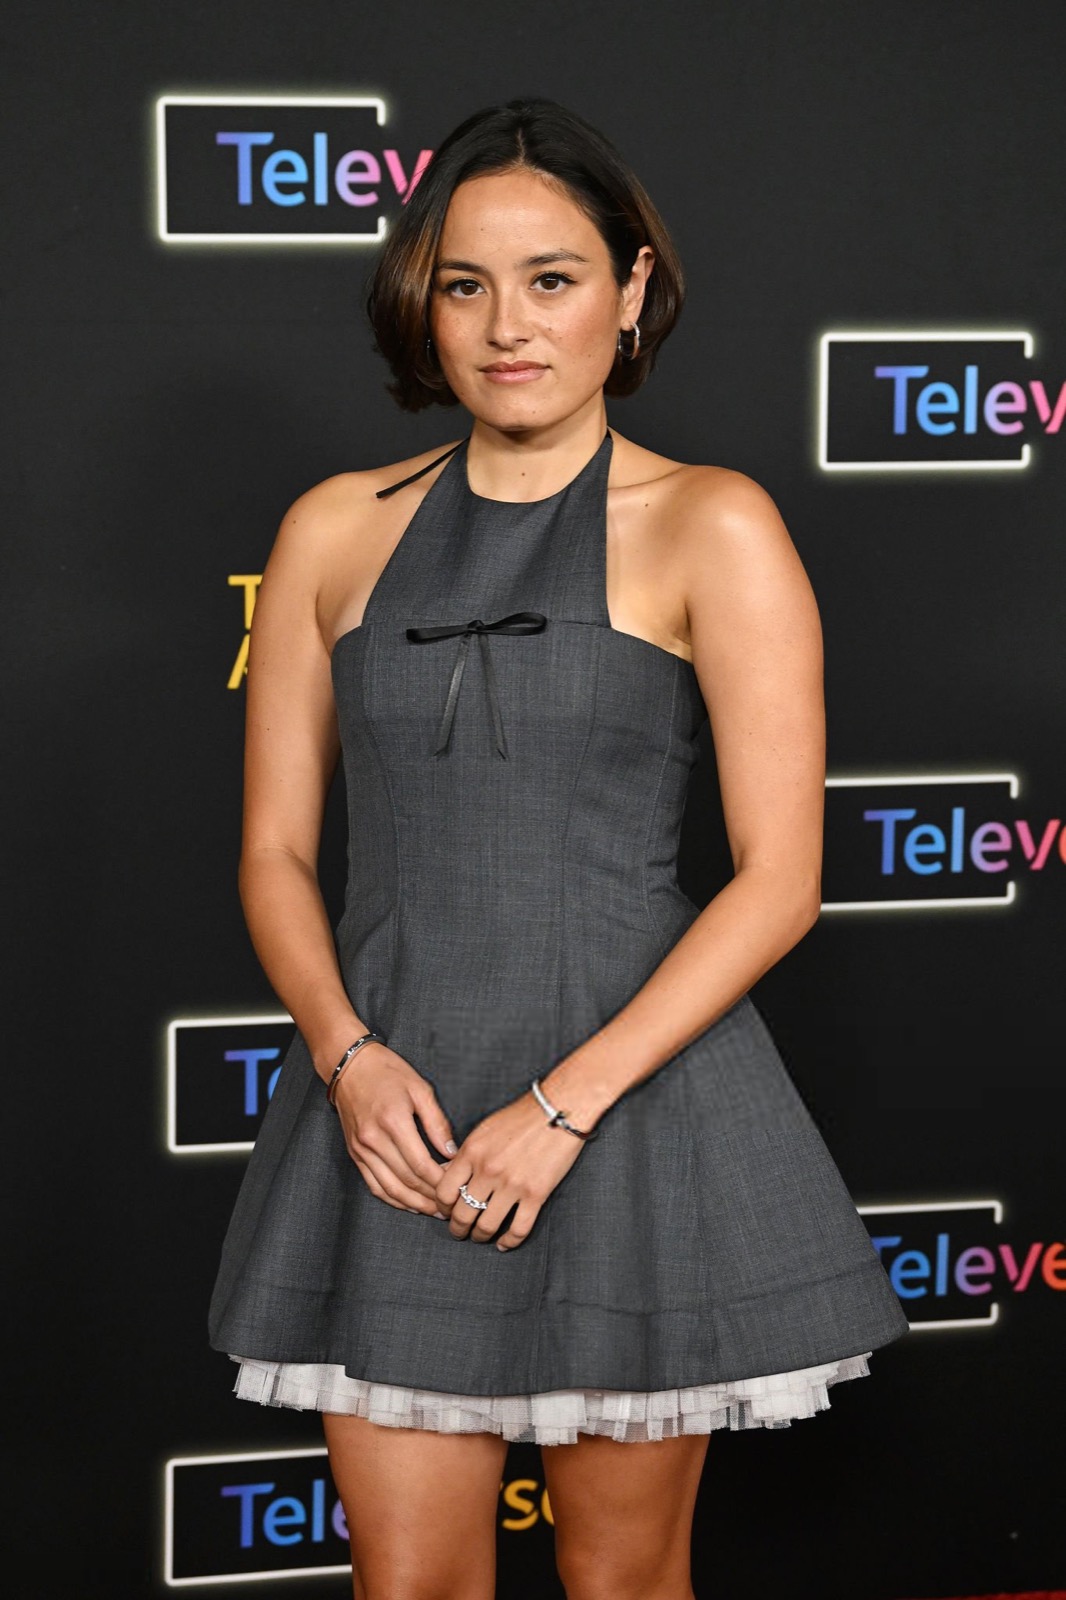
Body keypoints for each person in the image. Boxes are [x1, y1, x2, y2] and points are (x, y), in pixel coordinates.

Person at [208, 98, 909, 1600]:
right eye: (465, 285)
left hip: (626, 1106)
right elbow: (272, 852)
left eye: (552, 279)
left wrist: (561, 1108)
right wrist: (346, 1058)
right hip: (392, 1120)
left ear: (632, 289)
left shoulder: (713, 524)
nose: (506, 327)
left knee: (624, 1584)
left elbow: (780, 879)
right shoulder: (333, 529)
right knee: (410, 1588)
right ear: (423, 303)